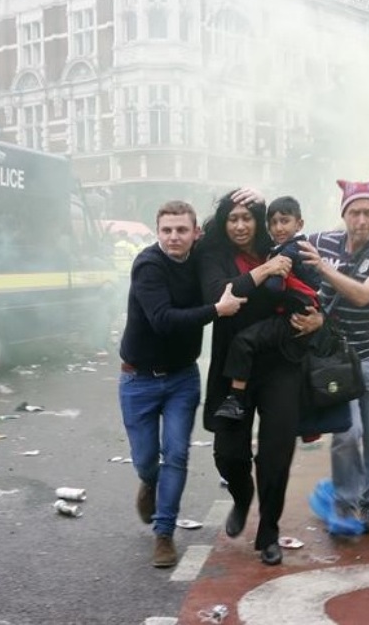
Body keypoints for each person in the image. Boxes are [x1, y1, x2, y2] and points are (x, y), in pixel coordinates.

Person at [198, 191, 323, 566]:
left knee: (276, 453)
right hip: (233, 365)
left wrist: (320, 319)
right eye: (232, 218)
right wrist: (265, 272)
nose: (240, 225)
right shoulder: (214, 253)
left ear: (260, 221)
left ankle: (268, 531)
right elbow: (216, 293)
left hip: (281, 364)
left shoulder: (284, 246)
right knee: (228, 453)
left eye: (247, 217)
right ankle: (240, 496)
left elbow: (316, 290)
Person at [119, 200, 245, 568]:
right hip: (137, 379)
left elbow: (229, 226)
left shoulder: (201, 257)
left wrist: (243, 195)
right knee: (147, 460)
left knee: (176, 454)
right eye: (167, 230)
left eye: (181, 230)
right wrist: (216, 312)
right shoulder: (148, 265)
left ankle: (164, 533)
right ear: (157, 232)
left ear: (195, 233)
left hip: (181, 379)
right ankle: (148, 481)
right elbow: (162, 319)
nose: (174, 237)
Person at [298, 176, 369, 534]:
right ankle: (344, 502)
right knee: (345, 434)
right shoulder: (320, 241)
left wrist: (324, 268)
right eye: (355, 212)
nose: (362, 220)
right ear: (344, 215)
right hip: (335, 361)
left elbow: (363, 295)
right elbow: (278, 242)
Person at [214, 196, 320, 422]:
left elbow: (274, 286)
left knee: (244, 342)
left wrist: (266, 280)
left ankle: (235, 398)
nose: (278, 227)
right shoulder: (288, 247)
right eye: (273, 222)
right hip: (295, 314)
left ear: (299, 224)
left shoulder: (291, 249)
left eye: (285, 221)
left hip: (293, 316)